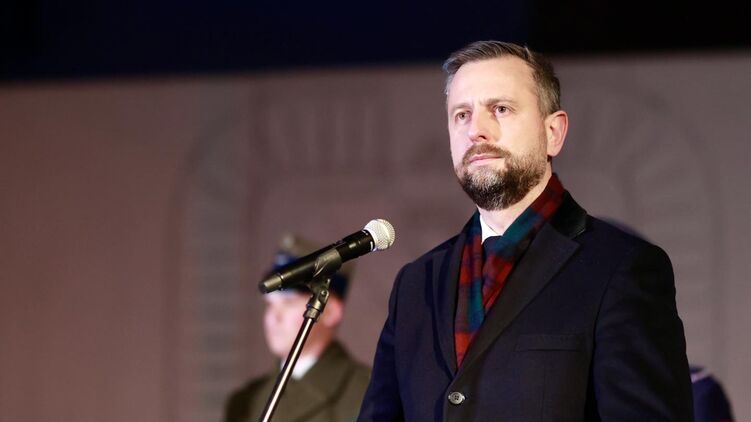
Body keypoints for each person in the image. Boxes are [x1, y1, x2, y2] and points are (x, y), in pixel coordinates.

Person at [357, 40, 694, 421]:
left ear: (553, 132)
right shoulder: (416, 284)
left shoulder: (620, 268)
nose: (476, 130)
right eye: (462, 115)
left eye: (500, 109)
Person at [224, 234, 370, 422]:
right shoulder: (245, 402)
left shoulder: (366, 393)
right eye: (270, 305)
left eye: (288, 302)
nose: (273, 317)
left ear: (331, 312)